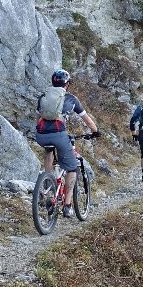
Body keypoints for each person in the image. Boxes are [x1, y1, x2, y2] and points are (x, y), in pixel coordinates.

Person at [34, 69, 99, 216]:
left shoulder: (43, 97)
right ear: (67, 84)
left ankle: (48, 182)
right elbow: (87, 120)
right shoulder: (71, 99)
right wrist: (95, 131)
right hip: (59, 135)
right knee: (72, 168)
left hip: (41, 135)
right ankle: (68, 205)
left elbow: (37, 120)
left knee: (49, 150)